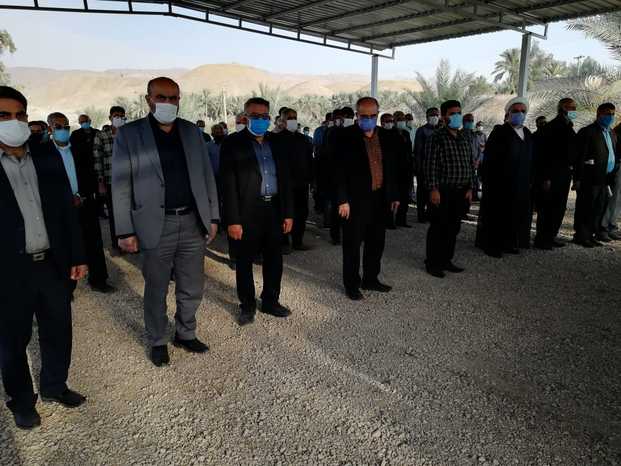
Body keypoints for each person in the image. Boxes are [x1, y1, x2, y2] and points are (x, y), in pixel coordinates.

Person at [112, 77, 220, 366]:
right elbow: (120, 185)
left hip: (192, 222)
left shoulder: (191, 132)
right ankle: (158, 339)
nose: (168, 103)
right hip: (153, 225)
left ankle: (186, 332)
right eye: (161, 97)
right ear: (148, 99)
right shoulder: (130, 134)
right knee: (156, 288)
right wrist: (124, 229)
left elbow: (206, 176)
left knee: (192, 285)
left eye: (174, 98)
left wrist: (212, 216)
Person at [0, 86, 88, 430]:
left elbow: (66, 208)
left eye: (19, 114)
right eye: (3, 116)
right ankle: (22, 402)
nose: (14, 121)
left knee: (58, 330)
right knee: (12, 342)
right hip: (9, 271)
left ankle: (54, 385)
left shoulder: (44, 153)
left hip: (52, 264)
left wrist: (77, 254)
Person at [220, 97, 294, 326]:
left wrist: (288, 213)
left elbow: (286, 179)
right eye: (255, 116)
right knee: (244, 261)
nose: (261, 120)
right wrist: (232, 220)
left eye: (264, 116)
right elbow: (227, 184)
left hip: (274, 210)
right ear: (245, 117)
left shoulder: (277, 142)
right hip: (246, 212)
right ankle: (247, 305)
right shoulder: (232, 143)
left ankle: (271, 301)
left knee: (274, 259)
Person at [334, 97, 399, 300]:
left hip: (380, 199)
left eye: (372, 116)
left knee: (376, 242)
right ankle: (351, 284)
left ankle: (371, 279)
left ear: (377, 115)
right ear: (357, 115)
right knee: (352, 245)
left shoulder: (387, 136)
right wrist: (342, 200)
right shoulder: (344, 137)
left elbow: (392, 169)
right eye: (364, 116)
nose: (368, 119)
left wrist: (394, 195)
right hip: (354, 201)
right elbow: (337, 171)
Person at [41, 112, 113, 294]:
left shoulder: (79, 149)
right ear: (50, 129)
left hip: (85, 203)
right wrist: (66, 198)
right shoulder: (44, 153)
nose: (63, 130)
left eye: (66, 127)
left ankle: (99, 280)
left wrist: (84, 195)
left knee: (93, 242)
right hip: (60, 209)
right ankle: (67, 287)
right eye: (58, 127)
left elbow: (90, 173)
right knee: (65, 246)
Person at [475, 97, 535, 258]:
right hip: (500, 183)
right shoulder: (499, 132)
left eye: (523, 111)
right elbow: (489, 159)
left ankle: (510, 243)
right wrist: (488, 180)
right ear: (508, 113)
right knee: (497, 215)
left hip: (520, 183)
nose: (519, 114)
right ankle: (492, 246)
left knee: (515, 214)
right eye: (515, 111)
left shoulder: (527, 133)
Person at [424, 100, 475, 278]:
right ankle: (433, 263)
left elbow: (470, 164)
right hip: (443, 191)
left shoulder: (464, 137)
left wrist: (470, 187)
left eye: (459, 113)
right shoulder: (436, 137)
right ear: (444, 116)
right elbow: (430, 165)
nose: (457, 116)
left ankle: (446, 260)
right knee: (438, 228)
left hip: (461, 192)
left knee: (453, 228)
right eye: (453, 113)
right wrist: (433, 189)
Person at [533, 98, 577, 249]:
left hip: (564, 173)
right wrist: (546, 177)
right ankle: (542, 239)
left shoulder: (568, 125)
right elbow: (545, 154)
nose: (574, 111)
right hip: (552, 174)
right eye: (571, 108)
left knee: (559, 207)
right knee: (548, 207)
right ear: (563, 108)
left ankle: (551, 236)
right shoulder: (553, 127)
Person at [573, 103, 619, 247]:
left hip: (605, 178)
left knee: (598, 208)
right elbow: (579, 156)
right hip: (589, 178)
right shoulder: (588, 132)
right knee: (586, 207)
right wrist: (577, 178)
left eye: (612, 114)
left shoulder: (611, 133)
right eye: (607, 113)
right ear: (599, 114)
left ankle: (591, 234)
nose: (610, 116)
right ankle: (581, 236)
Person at [273, 107, 314, 251]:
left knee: (301, 213)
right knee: (283, 213)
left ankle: (298, 241)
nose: (292, 120)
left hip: (301, 184)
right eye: (289, 118)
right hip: (283, 185)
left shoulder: (303, 139)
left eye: (294, 118)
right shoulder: (276, 139)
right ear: (282, 121)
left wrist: (311, 179)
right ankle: (284, 242)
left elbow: (310, 160)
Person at [93, 105, 126, 252]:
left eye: (122, 116)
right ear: (110, 118)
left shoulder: (128, 134)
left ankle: (131, 242)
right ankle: (117, 244)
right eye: (116, 116)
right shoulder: (101, 135)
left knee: (130, 212)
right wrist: (101, 183)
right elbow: (97, 160)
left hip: (128, 180)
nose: (119, 118)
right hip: (110, 181)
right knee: (114, 214)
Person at [414, 107, 440, 223]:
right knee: (422, 192)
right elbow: (418, 151)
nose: (435, 117)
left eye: (436, 115)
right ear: (427, 117)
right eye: (432, 115)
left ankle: (431, 214)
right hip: (424, 167)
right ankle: (421, 215)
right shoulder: (421, 130)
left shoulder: (440, 130)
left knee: (433, 191)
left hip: (436, 168)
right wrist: (419, 168)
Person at [391, 111, 414, 228]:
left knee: (404, 196)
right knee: (393, 196)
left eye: (403, 119)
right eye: (398, 119)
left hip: (406, 169)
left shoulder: (406, 133)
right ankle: (390, 221)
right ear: (394, 120)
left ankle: (402, 220)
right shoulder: (390, 133)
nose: (401, 121)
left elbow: (409, 151)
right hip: (394, 169)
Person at [600, 122, 621, 240]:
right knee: (615, 199)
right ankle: (605, 227)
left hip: (616, 167)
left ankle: (611, 225)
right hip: (617, 167)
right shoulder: (615, 133)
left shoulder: (614, 132)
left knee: (617, 200)